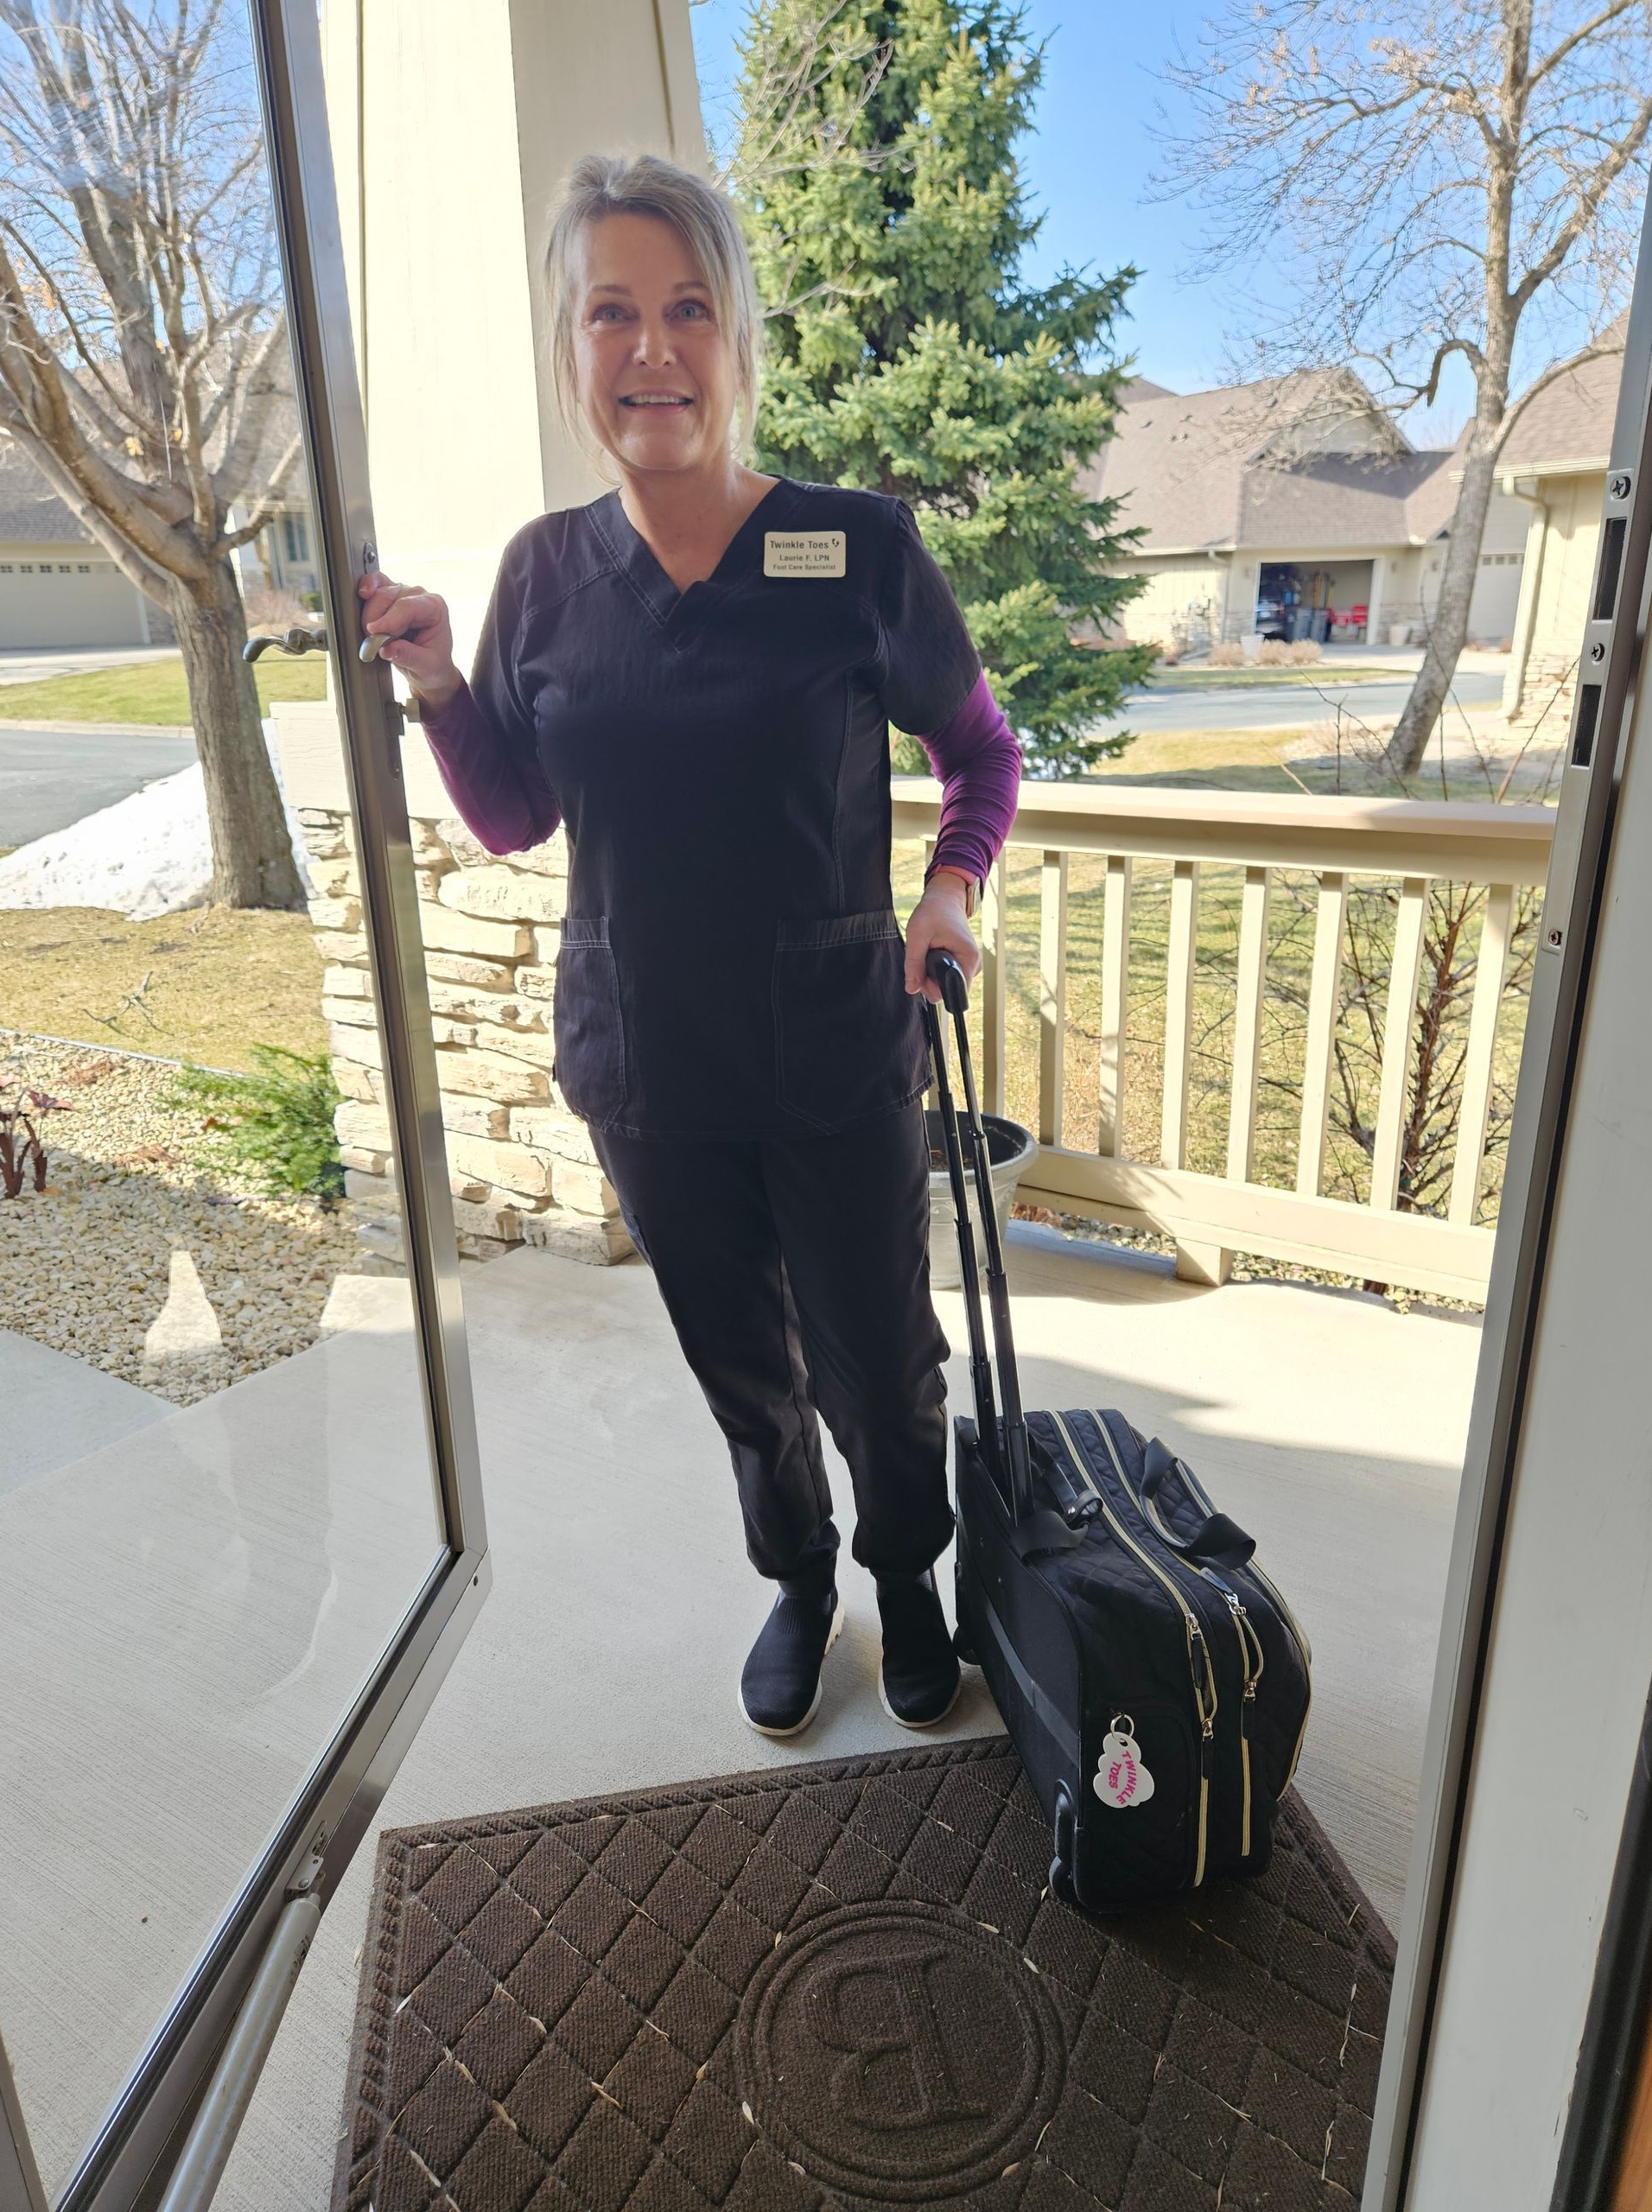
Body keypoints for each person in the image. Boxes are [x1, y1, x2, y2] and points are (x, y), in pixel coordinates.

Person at [359, 152, 1020, 1740]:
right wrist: (444, 688)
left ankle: (910, 1580)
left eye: (686, 309)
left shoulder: (851, 549)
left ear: (735, 340)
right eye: (612, 313)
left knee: (881, 1358)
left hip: (839, 1050)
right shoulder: (542, 577)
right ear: (573, 344)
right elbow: (517, 818)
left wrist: (951, 889)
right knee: (743, 1365)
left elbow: (981, 749)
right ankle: (798, 1584)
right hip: (649, 1063)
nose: (650, 348)